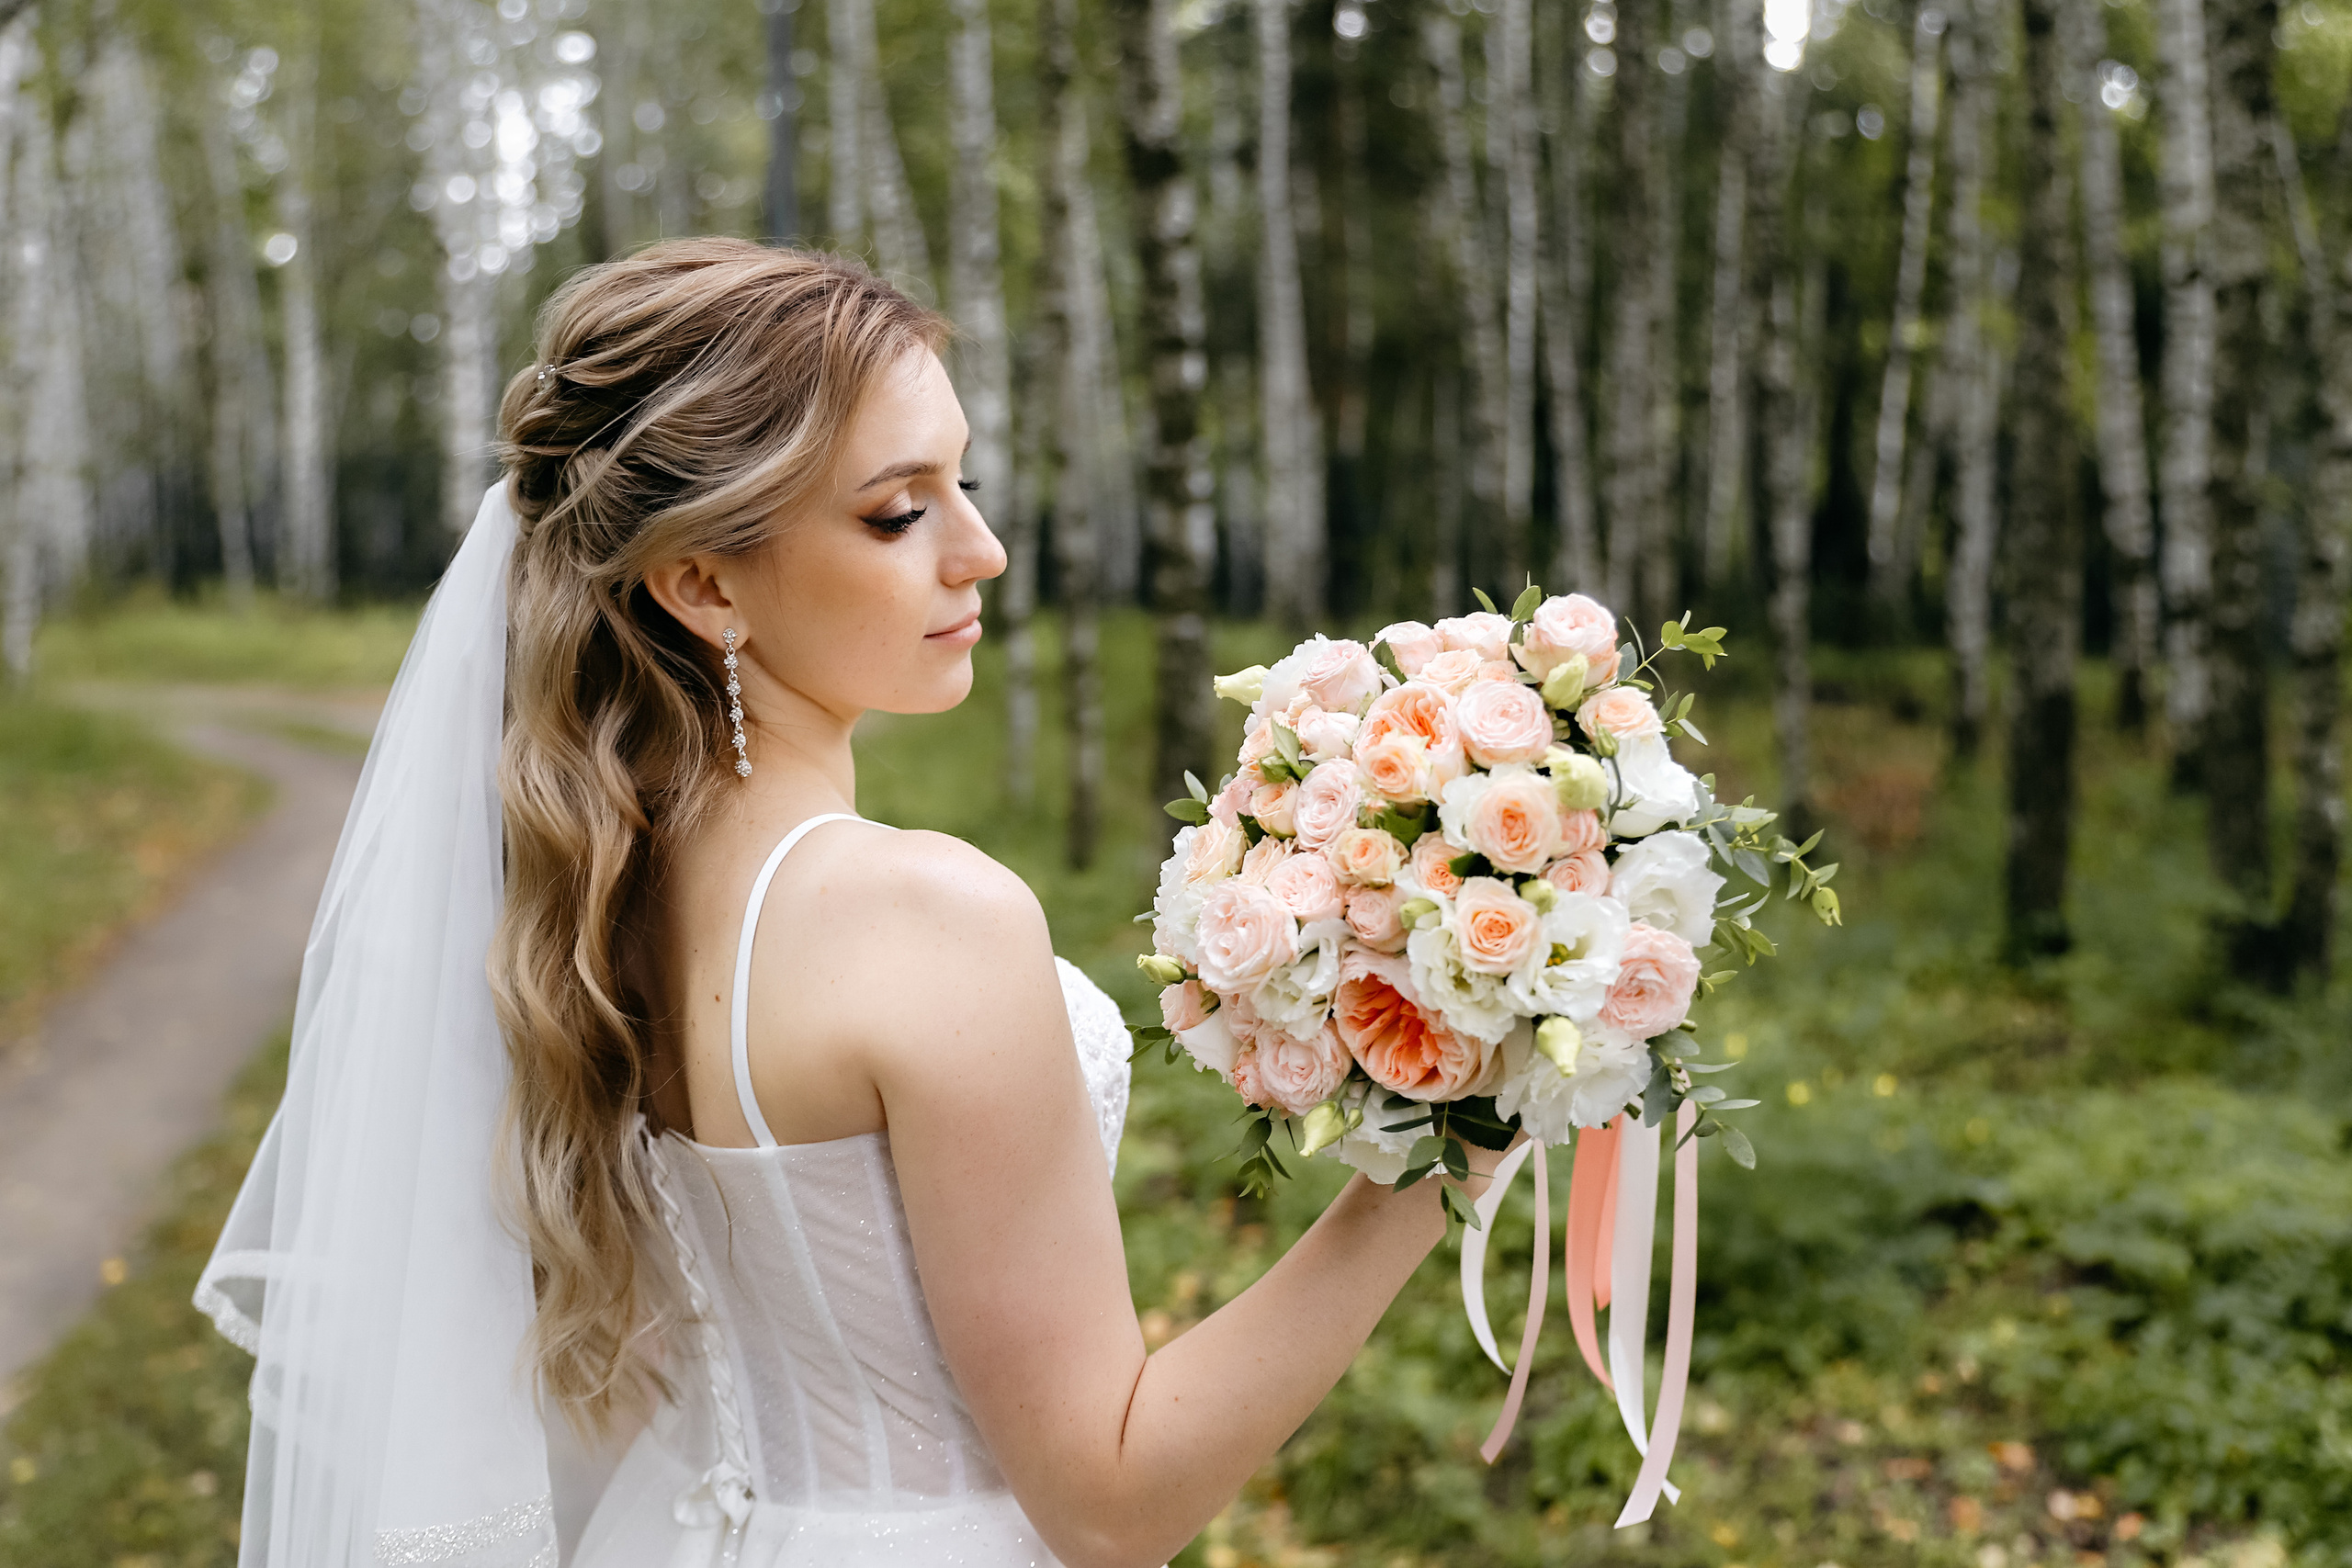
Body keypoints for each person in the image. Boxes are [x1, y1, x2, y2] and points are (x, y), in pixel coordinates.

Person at [198, 238, 1501, 1568]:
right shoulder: (925, 918)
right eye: (897, 513)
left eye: (963, 485)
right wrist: (1457, 1135)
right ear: (703, 582)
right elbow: (1112, 1504)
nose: (982, 552)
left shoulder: (588, 890)